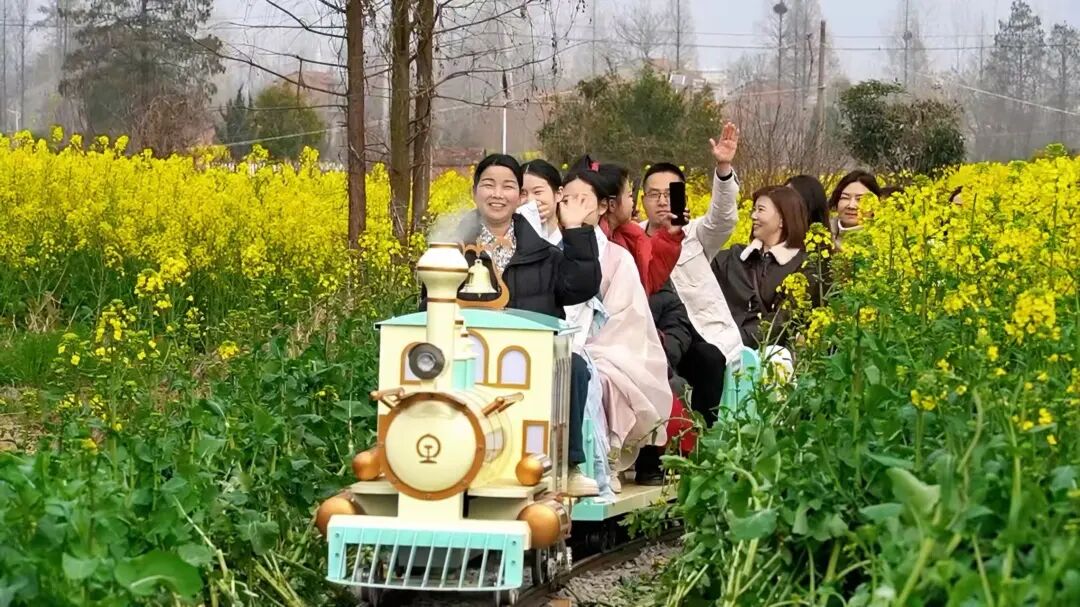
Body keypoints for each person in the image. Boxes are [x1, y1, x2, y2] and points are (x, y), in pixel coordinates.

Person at [421, 153, 601, 497]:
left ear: (520, 197)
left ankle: (569, 464)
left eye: (507, 186)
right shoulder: (452, 251)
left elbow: (581, 287)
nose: (497, 194)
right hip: (468, 355)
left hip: (527, 357)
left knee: (574, 367)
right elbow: (428, 305)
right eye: (488, 185)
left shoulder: (544, 254)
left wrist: (577, 232)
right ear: (475, 192)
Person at [552, 158, 673, 495]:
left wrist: (588, 349)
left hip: (608, 345)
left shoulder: (618, 258)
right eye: (568, 200)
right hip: (561, 341)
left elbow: (627, 319)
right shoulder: (547, 249)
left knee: (600, 375)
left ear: (603, 207)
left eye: (584, 200)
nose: (575, 208)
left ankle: (602, 459)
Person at [711, 186, 816, 349]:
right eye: (754, 209)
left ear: (782, 219)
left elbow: (783, 320)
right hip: (718, 345)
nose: (753, 216)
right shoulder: (734, 256)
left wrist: (734, 340)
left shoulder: (804, 266)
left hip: (766, 353)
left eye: (760, 210)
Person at [597, 162, 685, 295]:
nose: (633, 203)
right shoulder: (599, 242)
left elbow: (646, 282)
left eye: (668, 194)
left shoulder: (630, 236)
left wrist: (670, 235)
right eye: (629, 195)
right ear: (612, 204)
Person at [828, 170, 881, 248]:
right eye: (845, 198)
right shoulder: (824, 237)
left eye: (860, 199)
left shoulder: (885, 240)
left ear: (875, 204)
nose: (851, 206)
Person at [518, 159, 563, 245]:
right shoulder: (511, 239)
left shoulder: (572, 238)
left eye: (537, 192)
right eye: (523, 193)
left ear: (558, 194)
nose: (530, 201)